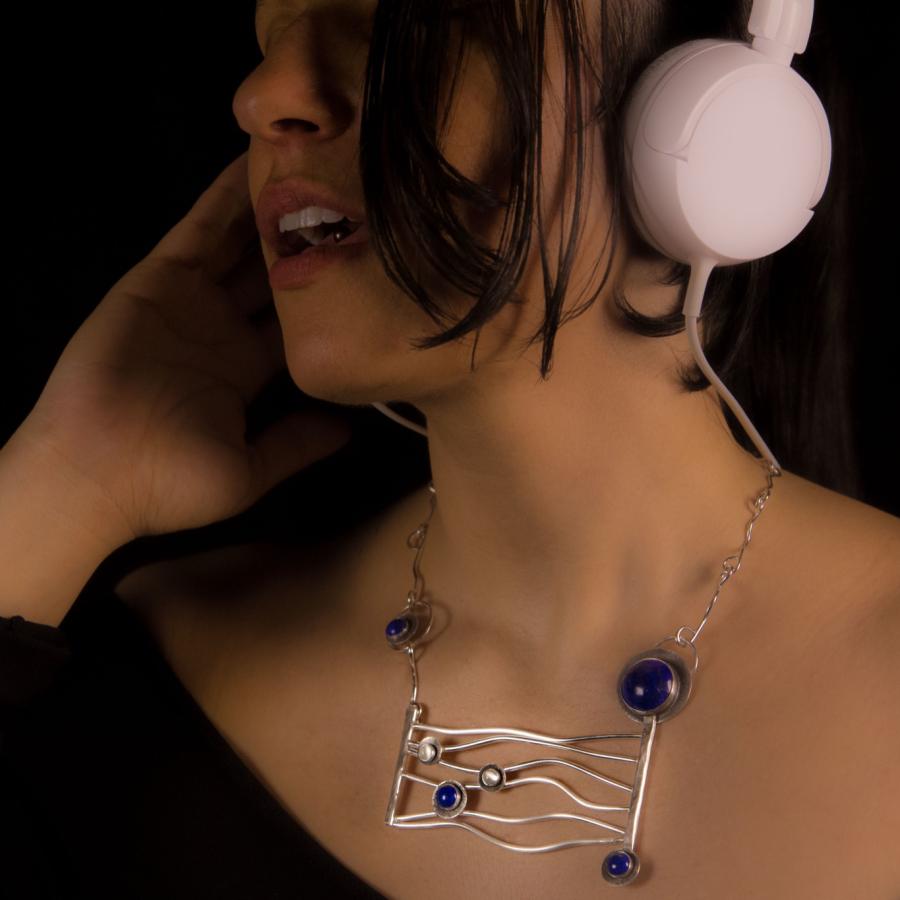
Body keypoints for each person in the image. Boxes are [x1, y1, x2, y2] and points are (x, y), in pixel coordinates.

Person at [1, 1, 897, 898]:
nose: (266, 96)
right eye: (270, 37)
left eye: (400, 22)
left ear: (718, 104)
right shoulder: (143, 691)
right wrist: (58, 487)